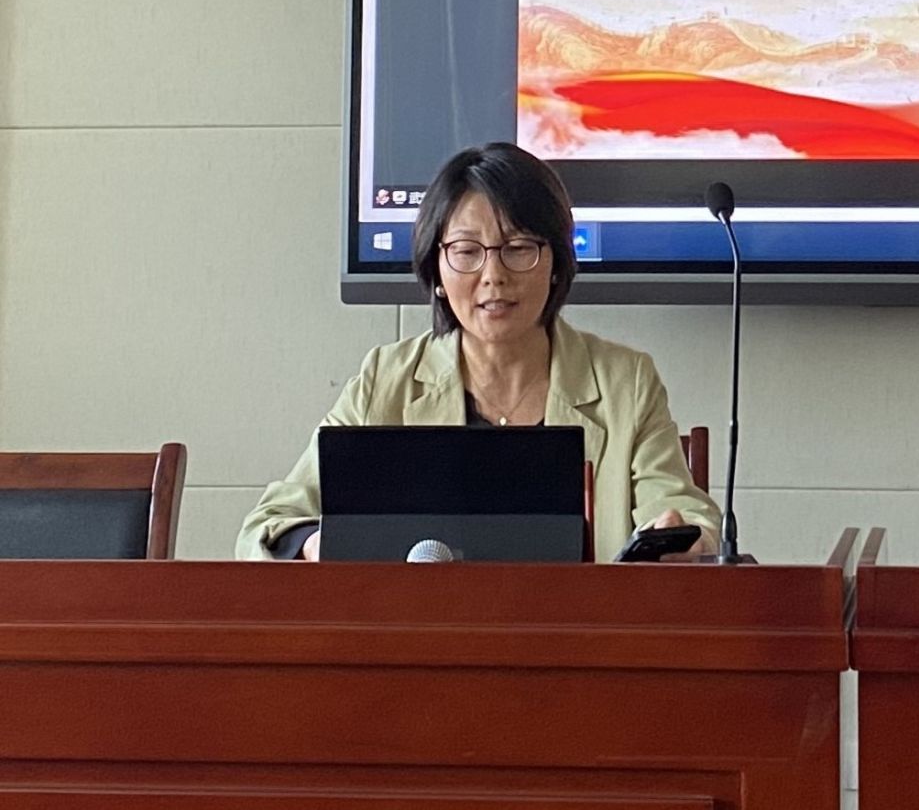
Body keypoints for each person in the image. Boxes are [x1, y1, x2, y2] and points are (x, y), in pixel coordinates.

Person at [237, 143, 719, 560]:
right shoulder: (387, 379)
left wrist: (679, 537)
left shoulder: (624, 381)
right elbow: (271, 523)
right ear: (437, 270)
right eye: (467, 251)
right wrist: (317, 543)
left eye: (518, 248)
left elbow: (686, 515)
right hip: (424, 633)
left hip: (579, 632)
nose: (494, 276)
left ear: (555, 262)